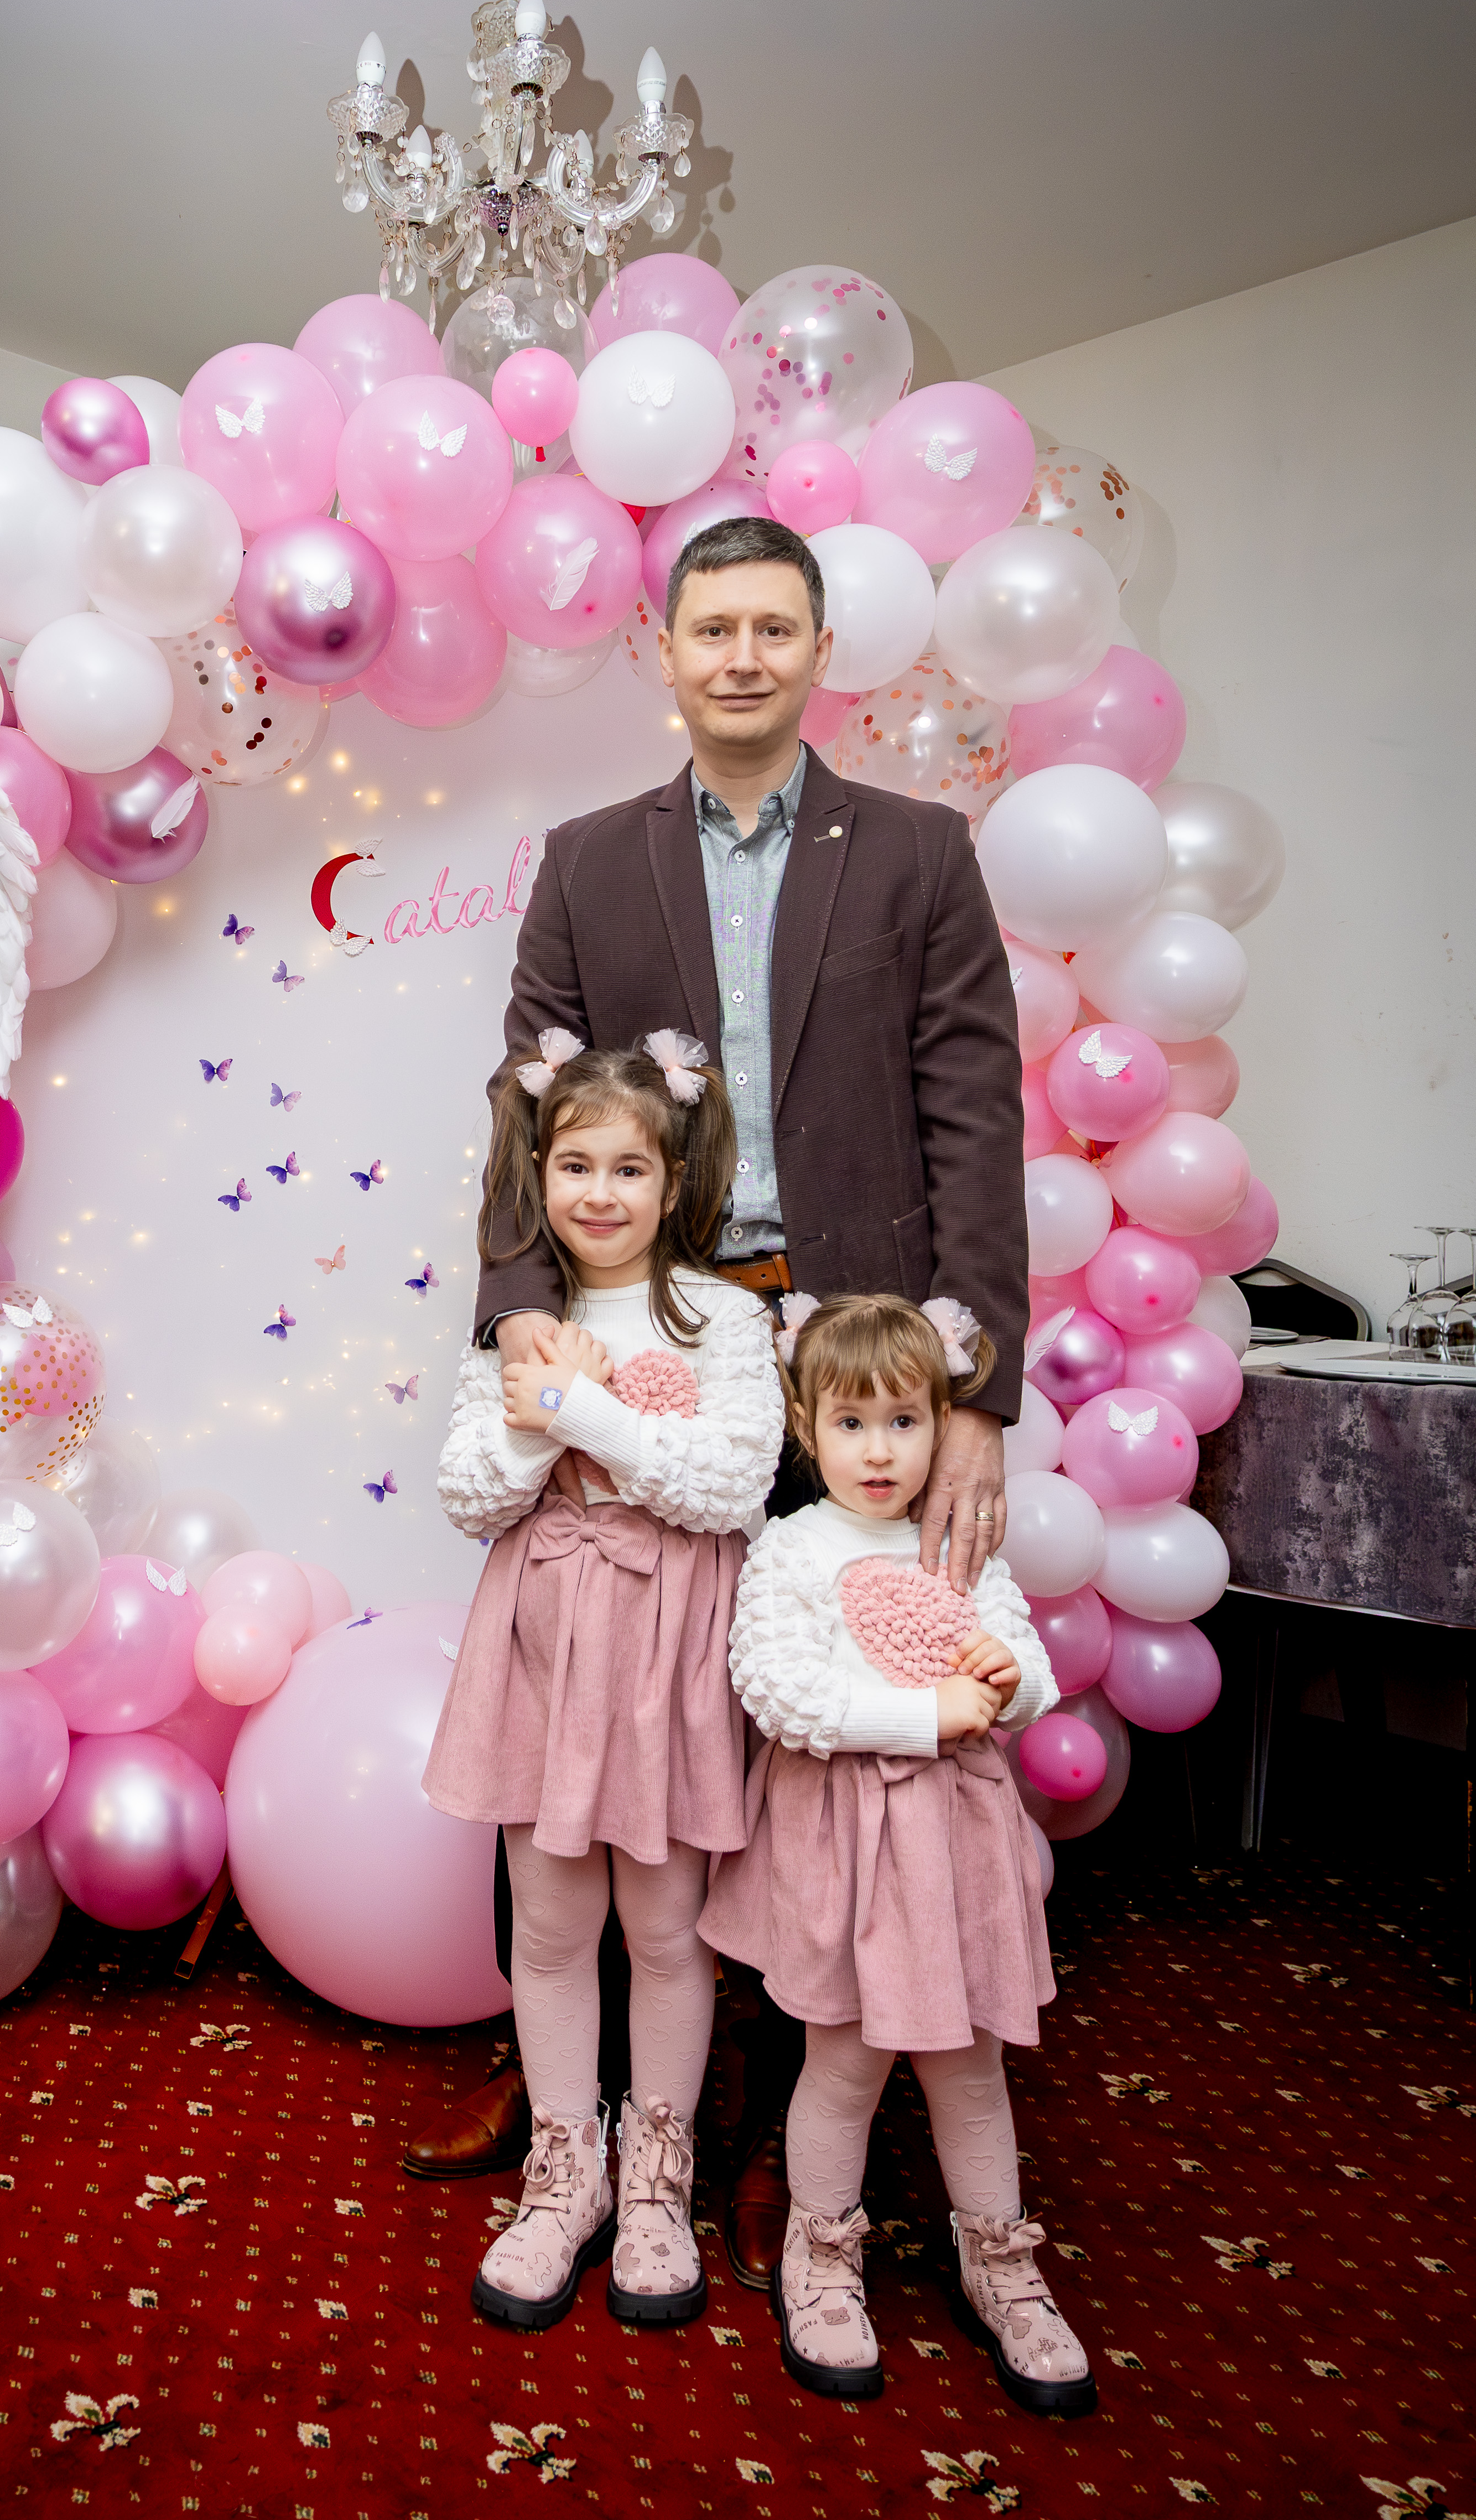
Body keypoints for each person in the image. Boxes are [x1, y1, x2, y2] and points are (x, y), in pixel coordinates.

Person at [404, 512, 1030, 2294]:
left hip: (847, 1356)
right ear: (662, 653)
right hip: (648, 1319)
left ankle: (755, 2125)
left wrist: (971, 1388)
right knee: (584, 1689)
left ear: (818, 650)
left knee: (794, 1738)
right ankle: (564, 2093)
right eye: (710, 629)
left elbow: (971, 1112)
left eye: (772, 628)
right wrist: (523, 1332)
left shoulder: (915, 851)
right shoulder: (588, 860)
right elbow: (525, 1110)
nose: (740, 657)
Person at [423, 1032, 786, 2330]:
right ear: (538, 1169)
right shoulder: (521, 1325)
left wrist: (579, 1413)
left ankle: (655, 2176)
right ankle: (564, 2165)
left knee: (668, 1926)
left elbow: (729, 1484)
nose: (599, 1191)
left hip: (670, 1651)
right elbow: (471, 1490)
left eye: (629, 1167)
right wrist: (538, 1415)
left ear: (674, 1178)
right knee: (551, 1922)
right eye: (574, 1163)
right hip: (547, 1640)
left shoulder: (727, 1318)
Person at [699, 1290, 1093, 2417]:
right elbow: (777, 1691)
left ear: (940, 1424)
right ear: (805, 1426)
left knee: (969, 2063)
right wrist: (927, 1715)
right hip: (847, 1844)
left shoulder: (956, 1544)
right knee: (845, 2059)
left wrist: (1006, 1678)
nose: (879, 1451)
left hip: (957, 1847)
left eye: (904, 1422)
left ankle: (997, 2258)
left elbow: (1026, 1667)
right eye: (851, 1423)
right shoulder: (790, 1548)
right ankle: (822, 2251)